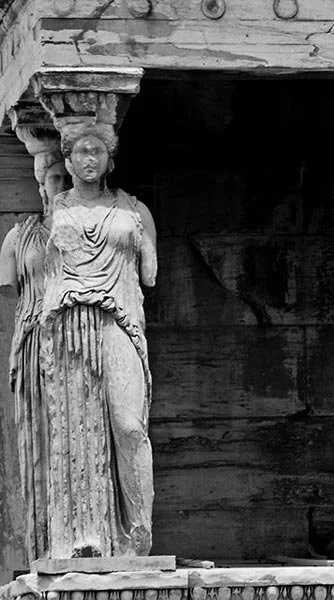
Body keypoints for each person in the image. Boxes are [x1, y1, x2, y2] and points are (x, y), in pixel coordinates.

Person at [40, 122, 157, 557]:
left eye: (98, 151)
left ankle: (139, 533)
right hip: (70, 324)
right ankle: (83, 537)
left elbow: (150, 274)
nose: (90, 159)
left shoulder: (134, 210)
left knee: (129, 425)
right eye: (82, 152)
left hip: (120, 319)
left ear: (110, 159)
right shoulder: (55, 212)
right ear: (68, 161)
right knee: (75, 429)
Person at [0, 144, 68, 560]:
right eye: (55, 177)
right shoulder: (19, 236)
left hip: (75, 338)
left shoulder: (87, 228)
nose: (62, 184)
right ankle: (44, 542)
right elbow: (12, 286)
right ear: (41, 185)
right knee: (40, 438)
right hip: (33, 338)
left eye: (66, 176)